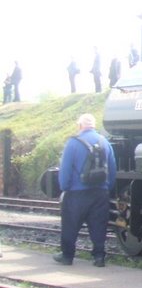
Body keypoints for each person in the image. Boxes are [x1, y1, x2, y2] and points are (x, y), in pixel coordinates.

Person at [53, 113, 116, 267]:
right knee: (98, 225)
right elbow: (112, 168)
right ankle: (99, 257)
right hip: (100, 192)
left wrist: (64, 188)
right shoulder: (105, 142)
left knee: (70, 225)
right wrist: (107, 188)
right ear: (93, 126)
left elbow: (65, 169)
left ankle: (67, 256)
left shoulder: (73, 143)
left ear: (80, 126)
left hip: (76, 192)